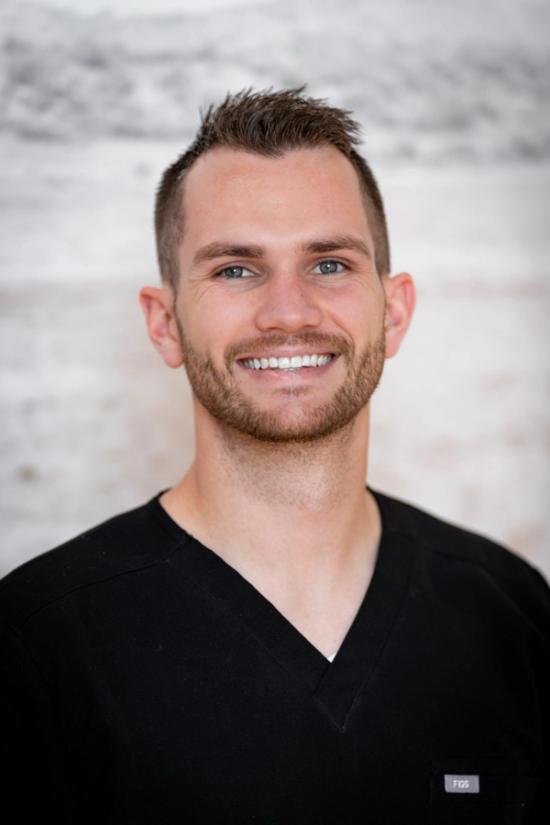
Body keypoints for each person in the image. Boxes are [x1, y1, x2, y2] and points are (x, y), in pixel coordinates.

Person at [1, 88, 549, 824]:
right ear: (165, 324)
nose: (289, 312)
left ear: (393, 312)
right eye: (235, 269)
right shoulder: (36, 642)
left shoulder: (510, 613)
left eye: (328, 264)